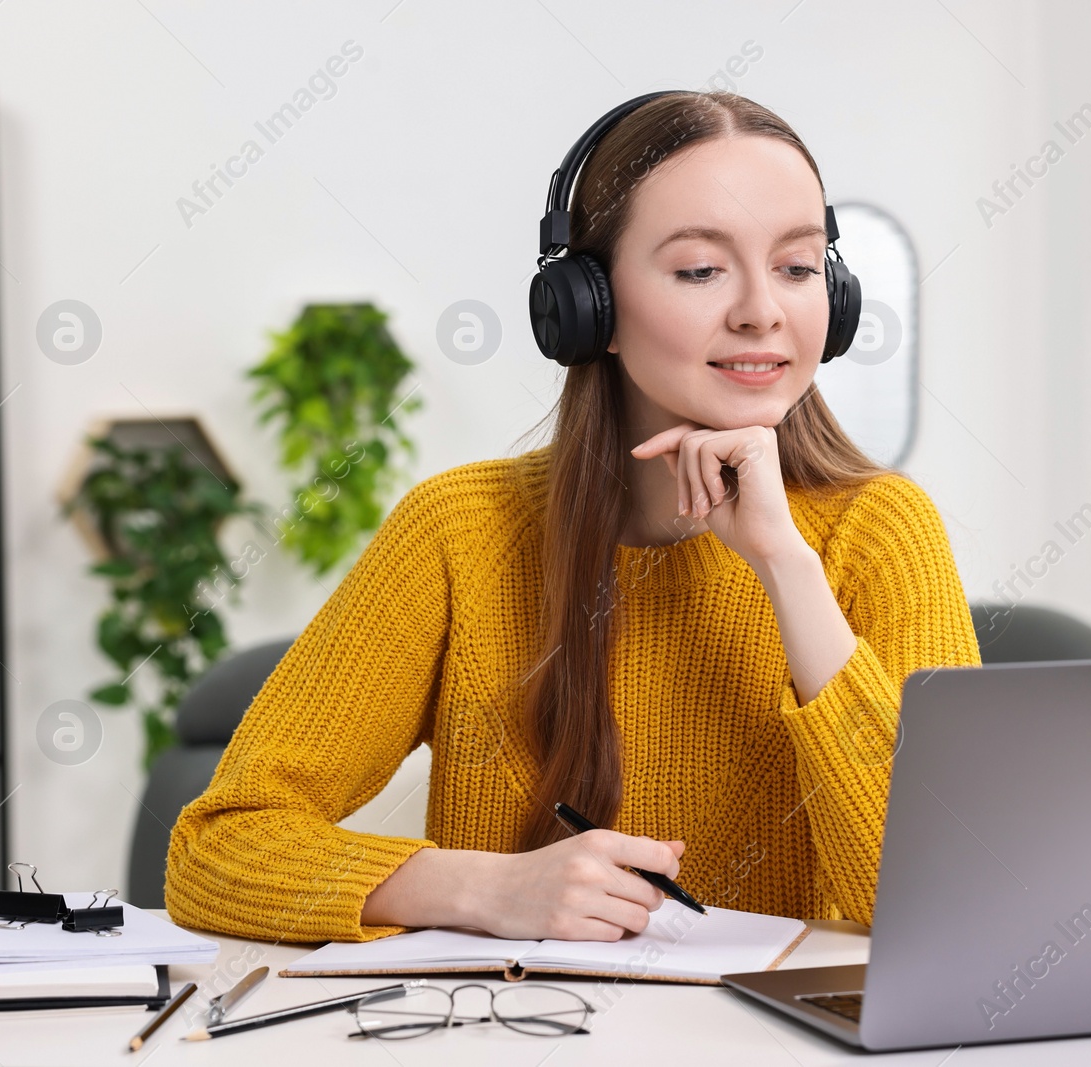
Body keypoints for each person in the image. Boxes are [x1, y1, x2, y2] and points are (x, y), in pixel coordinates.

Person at [165, 90, 981, 945]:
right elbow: (218, 848)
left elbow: (949, 910)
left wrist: (786, 563)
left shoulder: (880, 529)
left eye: (798, 266)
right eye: (701, 269)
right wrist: (480, 888)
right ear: (587, 307)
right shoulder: (460, 530)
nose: (762, 311)